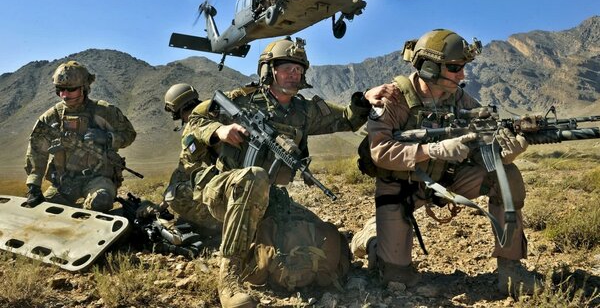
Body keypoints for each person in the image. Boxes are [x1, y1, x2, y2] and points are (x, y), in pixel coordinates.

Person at [185, 37, 399, 308]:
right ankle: (229, 277)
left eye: (299, 69)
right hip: (224, 192)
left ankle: (262, 253)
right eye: (287, 68)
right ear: (269, 70)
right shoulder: (240, 100)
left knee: (324, 237)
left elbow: (346, 117)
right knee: (253, 176)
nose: (294, 74)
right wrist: (219, 131)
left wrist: (365, 99)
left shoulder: (303, 110)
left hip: (270, 197)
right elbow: (195, 120)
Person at [351, 29, 540, 296]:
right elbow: (380, 151)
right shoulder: (393, 99)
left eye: (463, 68)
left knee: (505, 175)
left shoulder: (460, 99)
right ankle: (369, 238)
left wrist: (507, 148)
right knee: (396, 278)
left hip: (448, 179)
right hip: (401, 187)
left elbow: (482, 144)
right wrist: (434, 149)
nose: (462, 76)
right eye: (454, 68)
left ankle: (511, 271)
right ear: (429, 67)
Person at [24, 60, 136, 213]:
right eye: (60, 89)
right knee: (43, 211)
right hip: (65, 182)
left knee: (100, 202)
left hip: (99, 178)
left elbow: (129, 134)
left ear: (84, 88)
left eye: (70, 90)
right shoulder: (51, 117)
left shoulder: (104, 111)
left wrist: (108, 137)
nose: (64, 95)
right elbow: (37, 152)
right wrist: (34, 186)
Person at [161, 83, 220, 234]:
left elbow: (186, 167)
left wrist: (164, 201)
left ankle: (217, 225)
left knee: (173, 195)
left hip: (225, 187)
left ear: (176, 110)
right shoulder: (216, 111)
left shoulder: (194, 124)